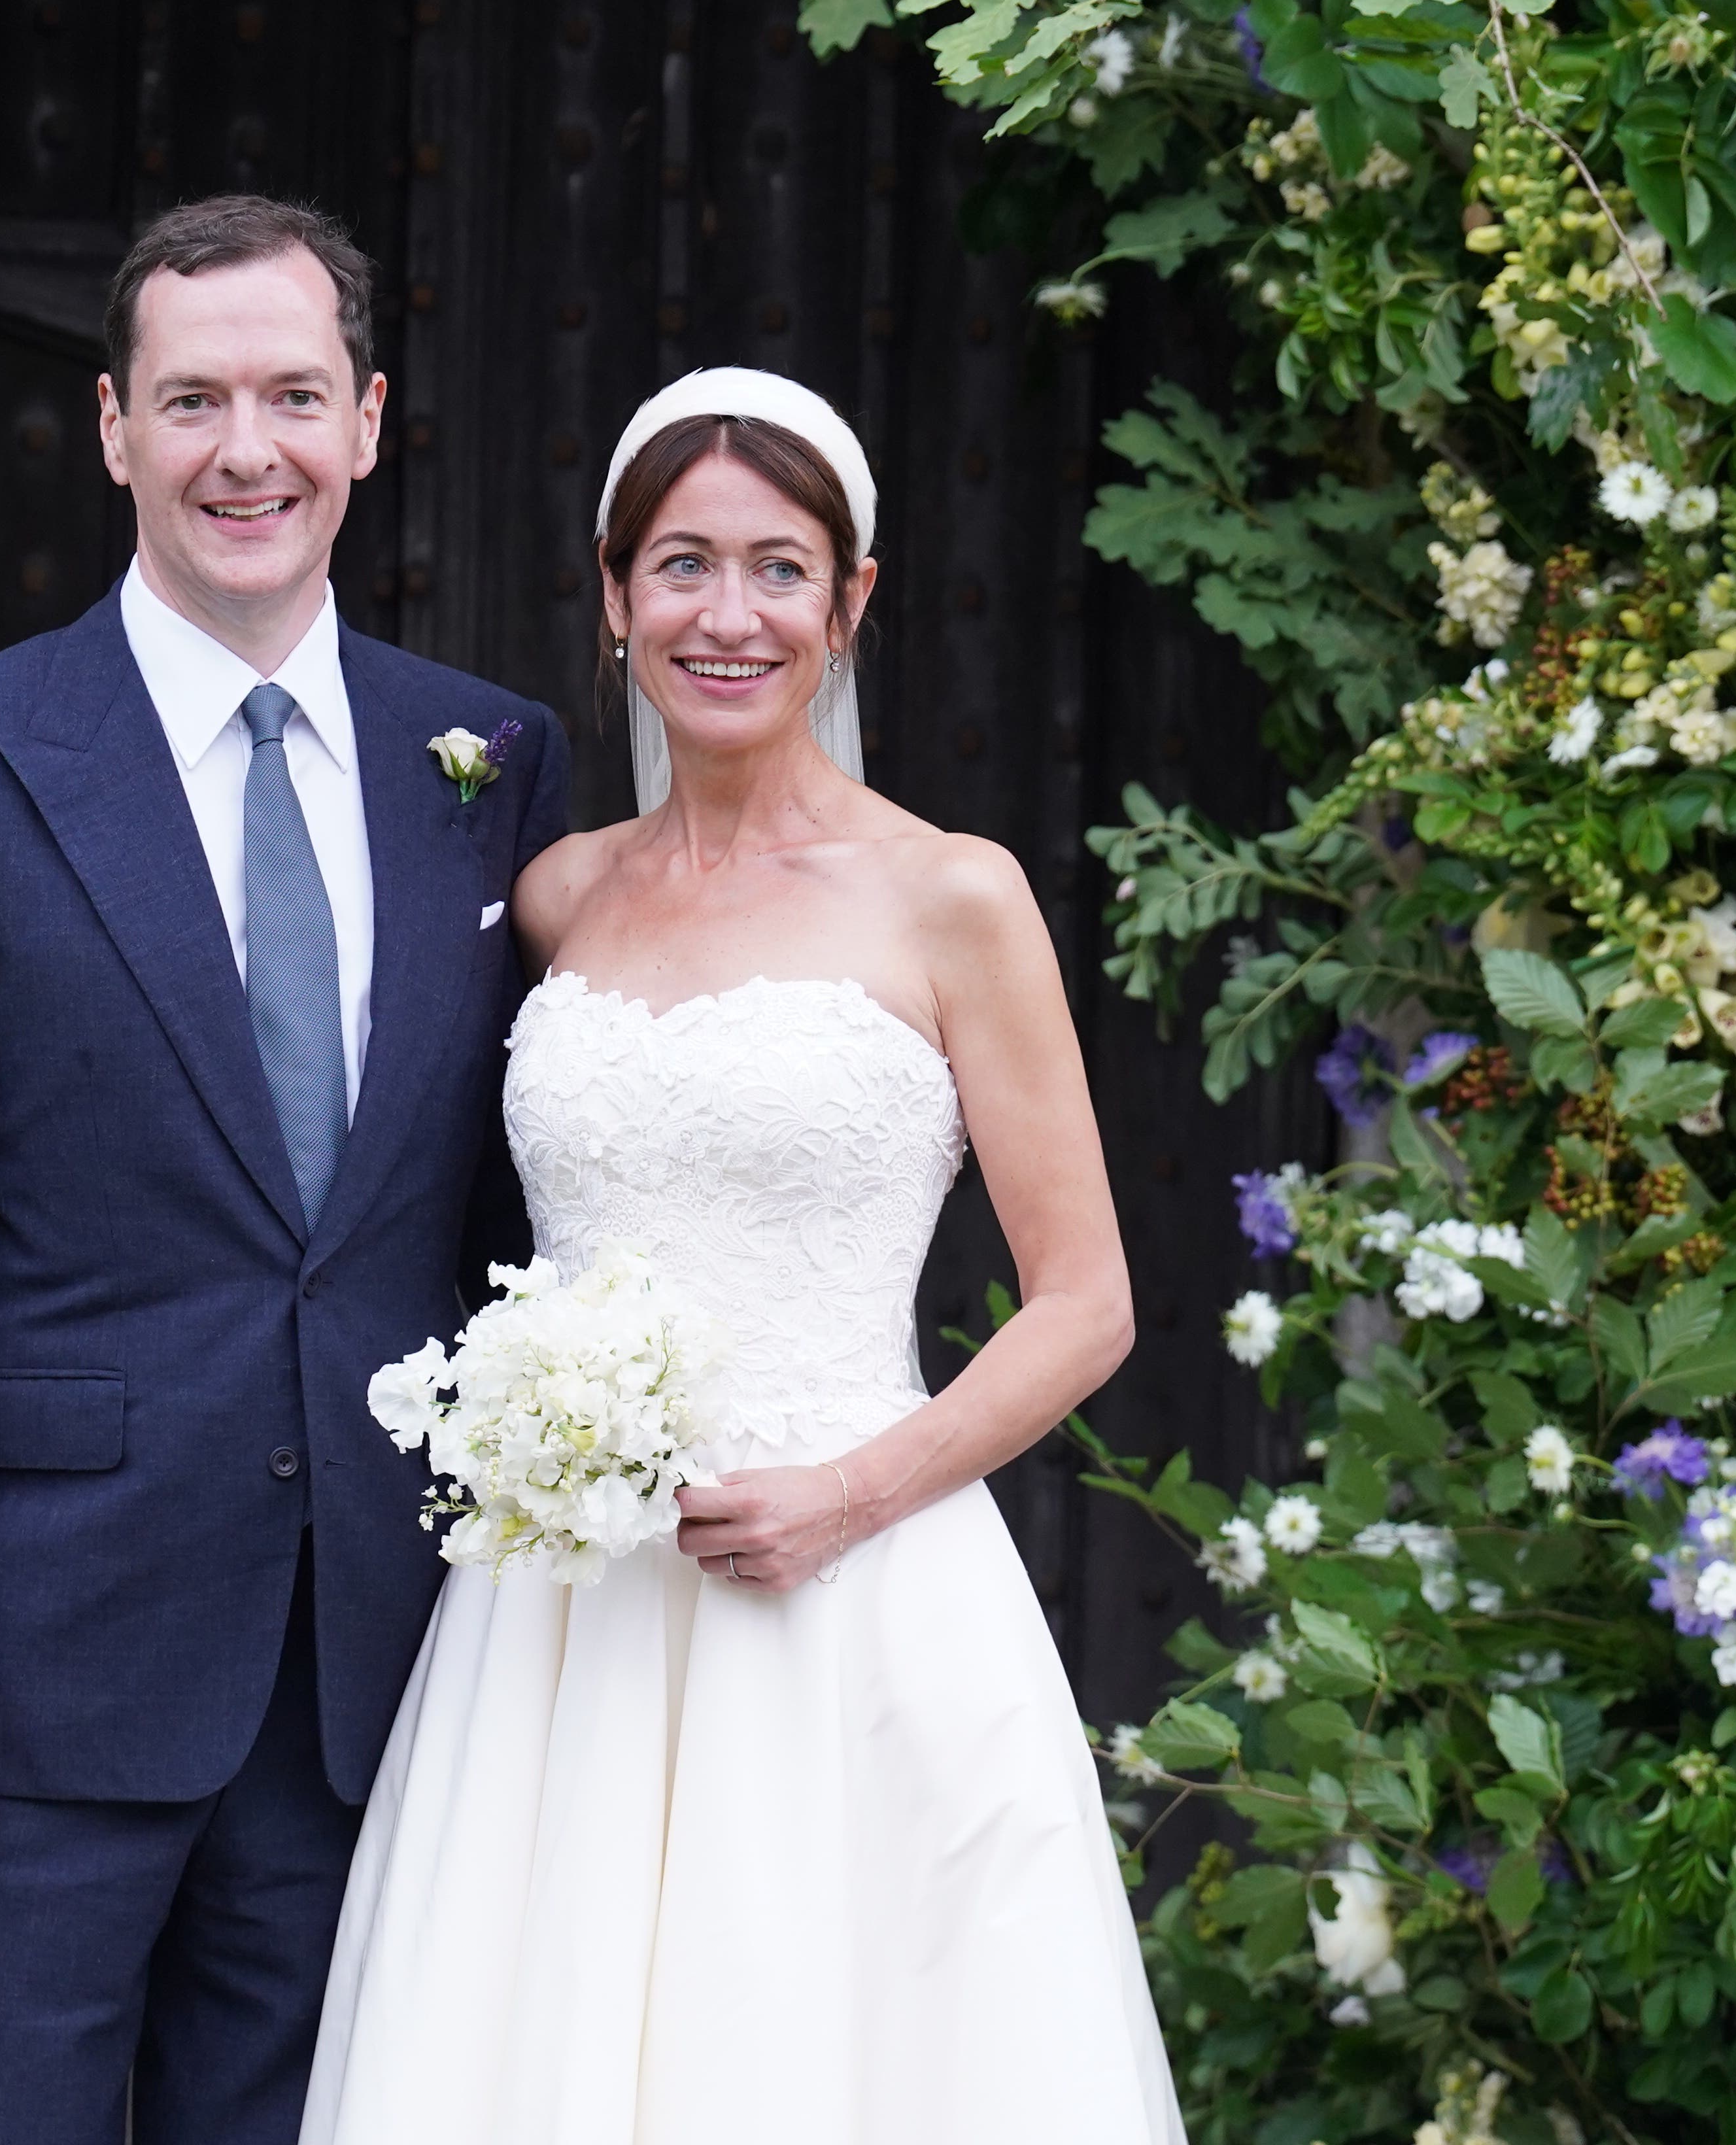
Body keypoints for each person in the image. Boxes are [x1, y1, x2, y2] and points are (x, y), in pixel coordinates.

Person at [300, 369, 1185, 2142]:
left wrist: (850, 1495)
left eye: (780, 570)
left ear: (853, 604)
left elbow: (1087, 1304)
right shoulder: (558, 896)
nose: (730, 614)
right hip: (560, 1624)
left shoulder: (954, 899)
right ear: (616, 598)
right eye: (684, 566)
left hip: (847, 1594)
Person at [0, 194, 570, 2145]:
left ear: (368, 423)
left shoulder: (488, 762)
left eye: (295, 395)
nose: (248, 449)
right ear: (116, 430)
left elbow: (505, 1229)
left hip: (363, 1695)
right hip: (26, 1700)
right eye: (192, 399)